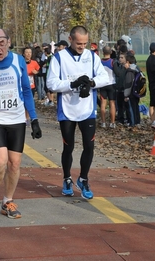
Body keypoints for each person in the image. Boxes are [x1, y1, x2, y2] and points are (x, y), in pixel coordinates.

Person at [0, 28, 42, 220]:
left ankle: (7, 201)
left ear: (9, 42)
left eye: (1, 44)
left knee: (14, 164)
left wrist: (35, 119)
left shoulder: (19, 61)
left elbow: (26, 91)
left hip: (17, 118)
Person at [46, 25, 110, 199]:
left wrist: (91, 83)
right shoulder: (59, 58)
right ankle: (67, 178)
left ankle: (83, 178)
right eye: (79, 43)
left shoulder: (92, 56)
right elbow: (51, 84)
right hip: (67, 110)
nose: (82, 46)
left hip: (87, 109)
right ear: (70, 39)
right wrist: (72, 85)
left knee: (89, 145)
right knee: (69, 146)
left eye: (85, 43)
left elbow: (106, 77)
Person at [100, 46, 116, 128]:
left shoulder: (100, 62)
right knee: (112, 103)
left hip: (102, 84)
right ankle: (112, 123)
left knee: (103, 104)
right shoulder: (112, 62)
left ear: (103, 52)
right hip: (111, 84)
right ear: (111, 53)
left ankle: (103, 122)